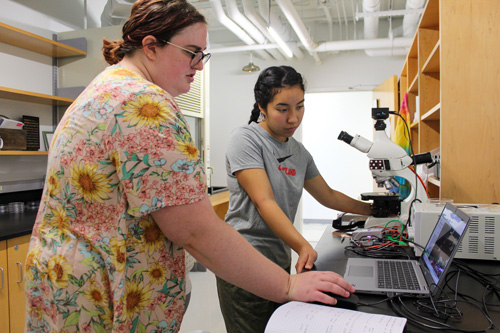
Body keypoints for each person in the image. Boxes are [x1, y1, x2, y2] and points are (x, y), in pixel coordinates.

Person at [24, 2, 356, 332]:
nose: (198, 65)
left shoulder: (105, 88)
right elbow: (195, 231)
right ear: (151, 47)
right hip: (103, 297)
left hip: (68, 287)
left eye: (203, 55)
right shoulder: (143, 104)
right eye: (192, 52)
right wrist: (288, 287)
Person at [217, 66, 373, 333]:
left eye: (300, 107)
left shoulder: (298, 151)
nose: (294, 118)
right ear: (262, 107)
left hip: (278, 259)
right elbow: (263, 201)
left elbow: (329, 196)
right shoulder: (245, 139)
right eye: (283, 109)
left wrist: (373, 211)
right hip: (244, 258)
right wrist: (302, 245)